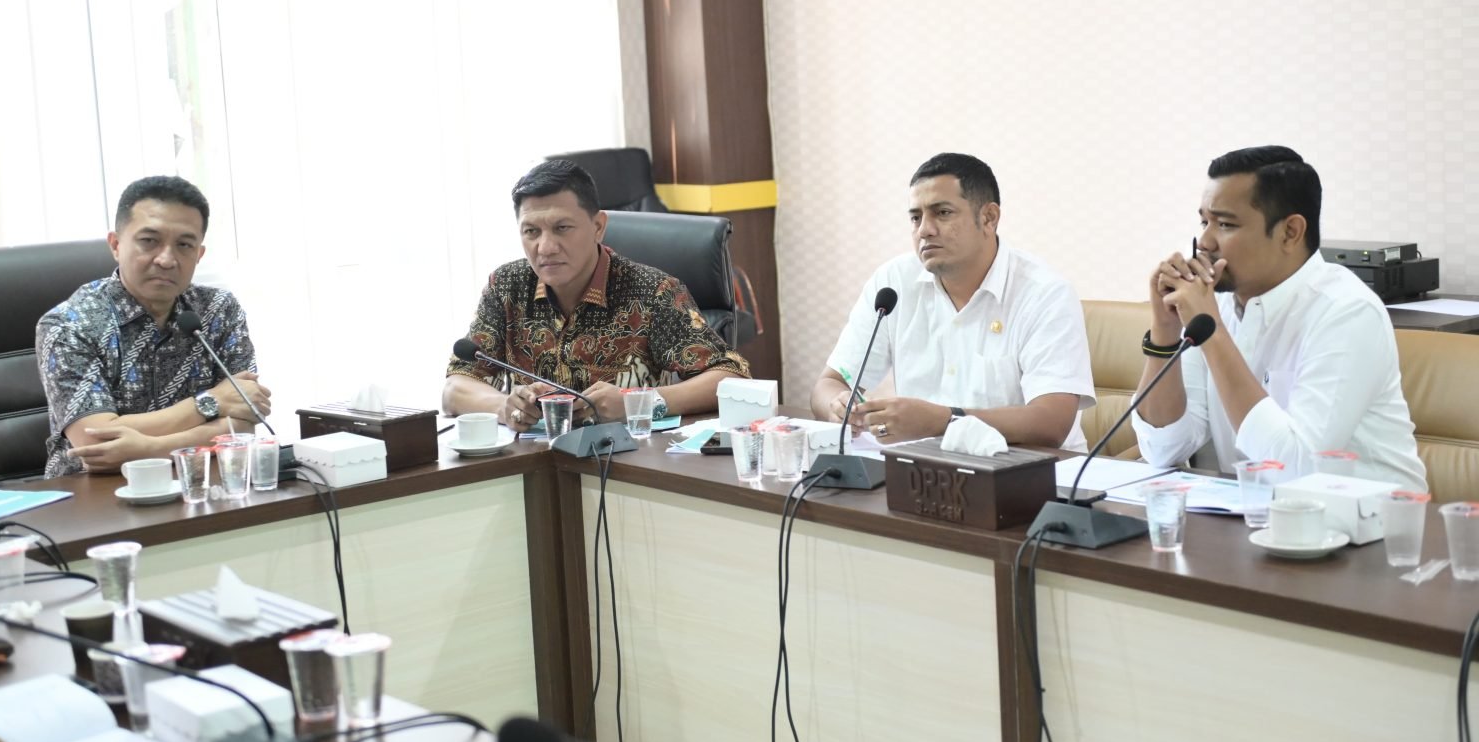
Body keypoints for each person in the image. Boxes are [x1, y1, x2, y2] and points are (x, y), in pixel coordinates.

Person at [1132, 145, 1427, 490]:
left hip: (1365, 518)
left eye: (1225, 224)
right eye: (1204, 222)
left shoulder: (1347, 312)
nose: (1206, 242)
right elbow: (1163, 449)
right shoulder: (1214, 305)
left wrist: (1213, 334)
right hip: (1249, 512)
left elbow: (1296, 470)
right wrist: (1165, 330)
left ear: (1290, 232)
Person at [809, 153, 1094, 450]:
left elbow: (1051, 423)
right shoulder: (893, 283)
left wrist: (944, 421)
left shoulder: (1044, 294)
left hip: (1030, 470)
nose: (924, 230)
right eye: (916, 218)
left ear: (988, 218)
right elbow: (828, 385)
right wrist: (838, 406)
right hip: (923, 469)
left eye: (942, 213)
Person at [443, 159, 750, 430]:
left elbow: (732, 378)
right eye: (531, 231)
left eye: (562, 228)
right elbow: (455, 388)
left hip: (627, 462)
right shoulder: (506, 286)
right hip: (534, 463)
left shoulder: (651, 292)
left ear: (598, 226)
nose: (545, 247)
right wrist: (504, 406)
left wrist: (636, 402)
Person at [37, 176, 270, 477]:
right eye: (149, 241)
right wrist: (211, 403)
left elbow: (244, 422)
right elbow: (95, 440)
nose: (166, 259)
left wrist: (148, 448)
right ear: (116, 245)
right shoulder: (69, 325)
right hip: (95, 493)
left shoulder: (218, 310)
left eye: (184, 245)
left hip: (200, 483)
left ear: (199, 254)